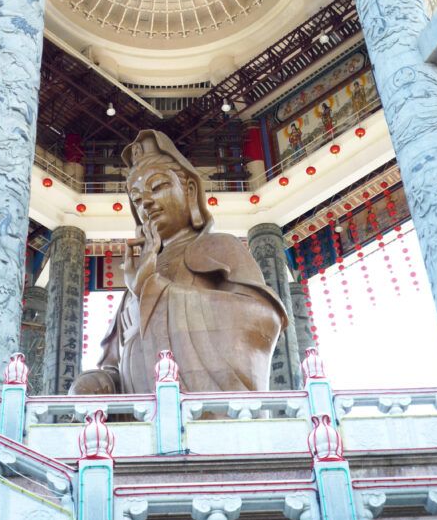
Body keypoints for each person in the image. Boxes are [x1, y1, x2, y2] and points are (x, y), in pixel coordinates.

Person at [69, 130, 288, 395]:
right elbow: (118, 363)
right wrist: (98, 382)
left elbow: (262, 320)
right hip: (143, 418)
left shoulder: (219, 246)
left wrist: (155, 290)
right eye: (136, 199)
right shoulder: (139, 276)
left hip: (207, 414)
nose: (146, 203)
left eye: (158, 186)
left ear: (190, 190)